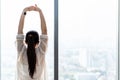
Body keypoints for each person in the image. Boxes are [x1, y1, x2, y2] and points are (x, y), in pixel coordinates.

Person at [16, 4, 48, 80]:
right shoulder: (41, 52)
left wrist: (24, 11)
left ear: (25, 41)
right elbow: (44, 32)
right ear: (38, 42)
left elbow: (19, 32)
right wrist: (40, 11)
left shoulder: (21, 52)